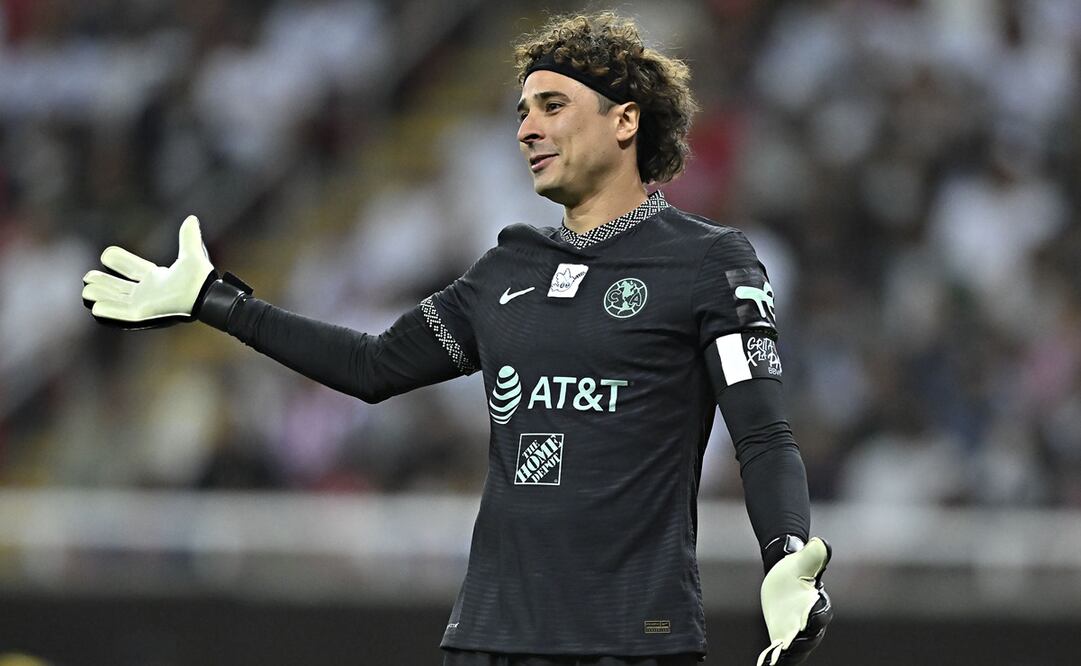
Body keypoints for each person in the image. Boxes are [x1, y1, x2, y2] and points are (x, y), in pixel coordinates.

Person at [81, 12, 831, 666]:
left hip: (630, 637)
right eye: (521, 111)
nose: (526, 129)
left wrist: (785, 555)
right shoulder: (509, 266)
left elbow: (761, 435)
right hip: (488, 634)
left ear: (625, 121)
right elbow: (371, 366)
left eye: (552, 106)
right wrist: (216, 302)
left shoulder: (707, 262)